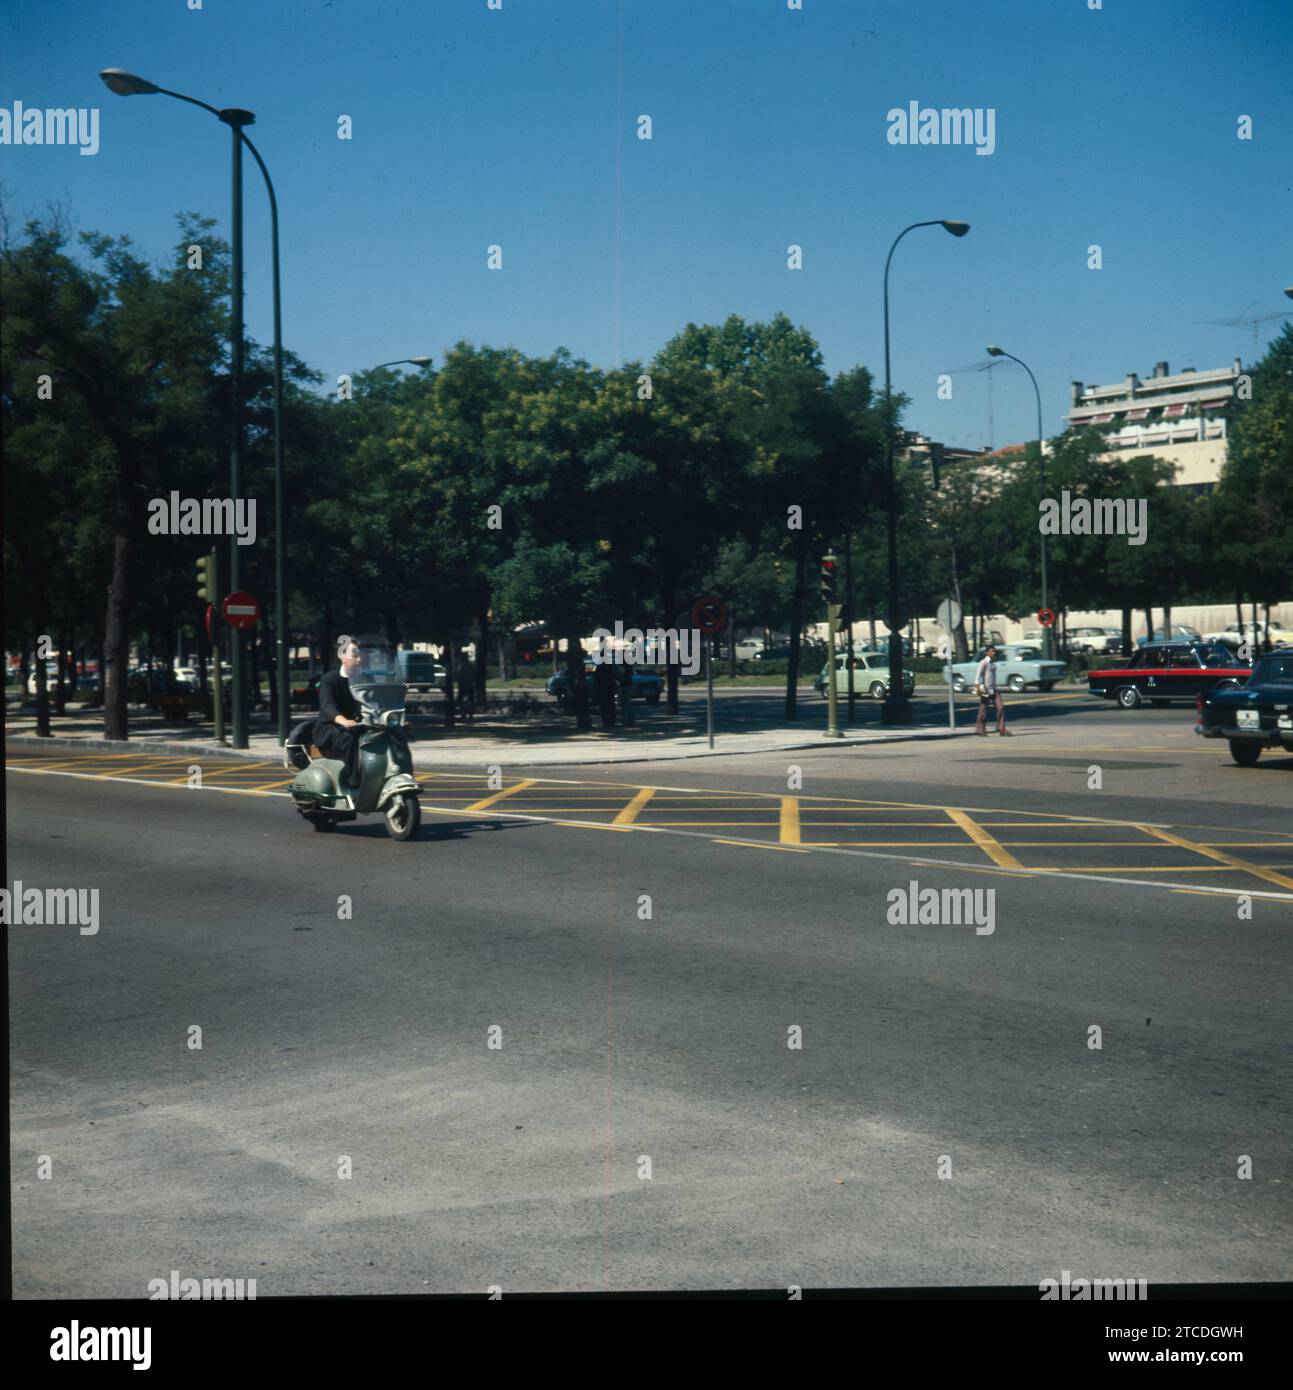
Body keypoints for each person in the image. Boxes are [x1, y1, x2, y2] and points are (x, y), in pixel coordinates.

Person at [314, 635, 364, 786]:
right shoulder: (330, 679)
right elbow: (328, 706)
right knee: (350, 738)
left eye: (360, 655)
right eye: (355, 655)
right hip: (329, 729)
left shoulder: (363, 679)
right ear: (342, 657)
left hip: (353, 726)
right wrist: (344, 721)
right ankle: (353, 784)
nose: (359, 659)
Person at [974, 643, 1011, 736]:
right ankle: (980, 730)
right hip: (986, 690)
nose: (994, 653)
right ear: (987, 653)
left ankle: (1001, 729)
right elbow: (978, 676)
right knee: (983, 709)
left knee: (1000, 707)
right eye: (992, 651)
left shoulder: (993, 662)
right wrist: (978, 688)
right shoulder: (983, 662)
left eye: (995, 651)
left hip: (994, 689)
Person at [593, 657, 618, 727]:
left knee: (603, 706)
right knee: (611, 705)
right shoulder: (610, 666)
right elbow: (613, 676)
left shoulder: (599, 667)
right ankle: (611, 721)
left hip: (602, 688)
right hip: (609, 688)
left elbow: (596, 679)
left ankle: (605, 721)